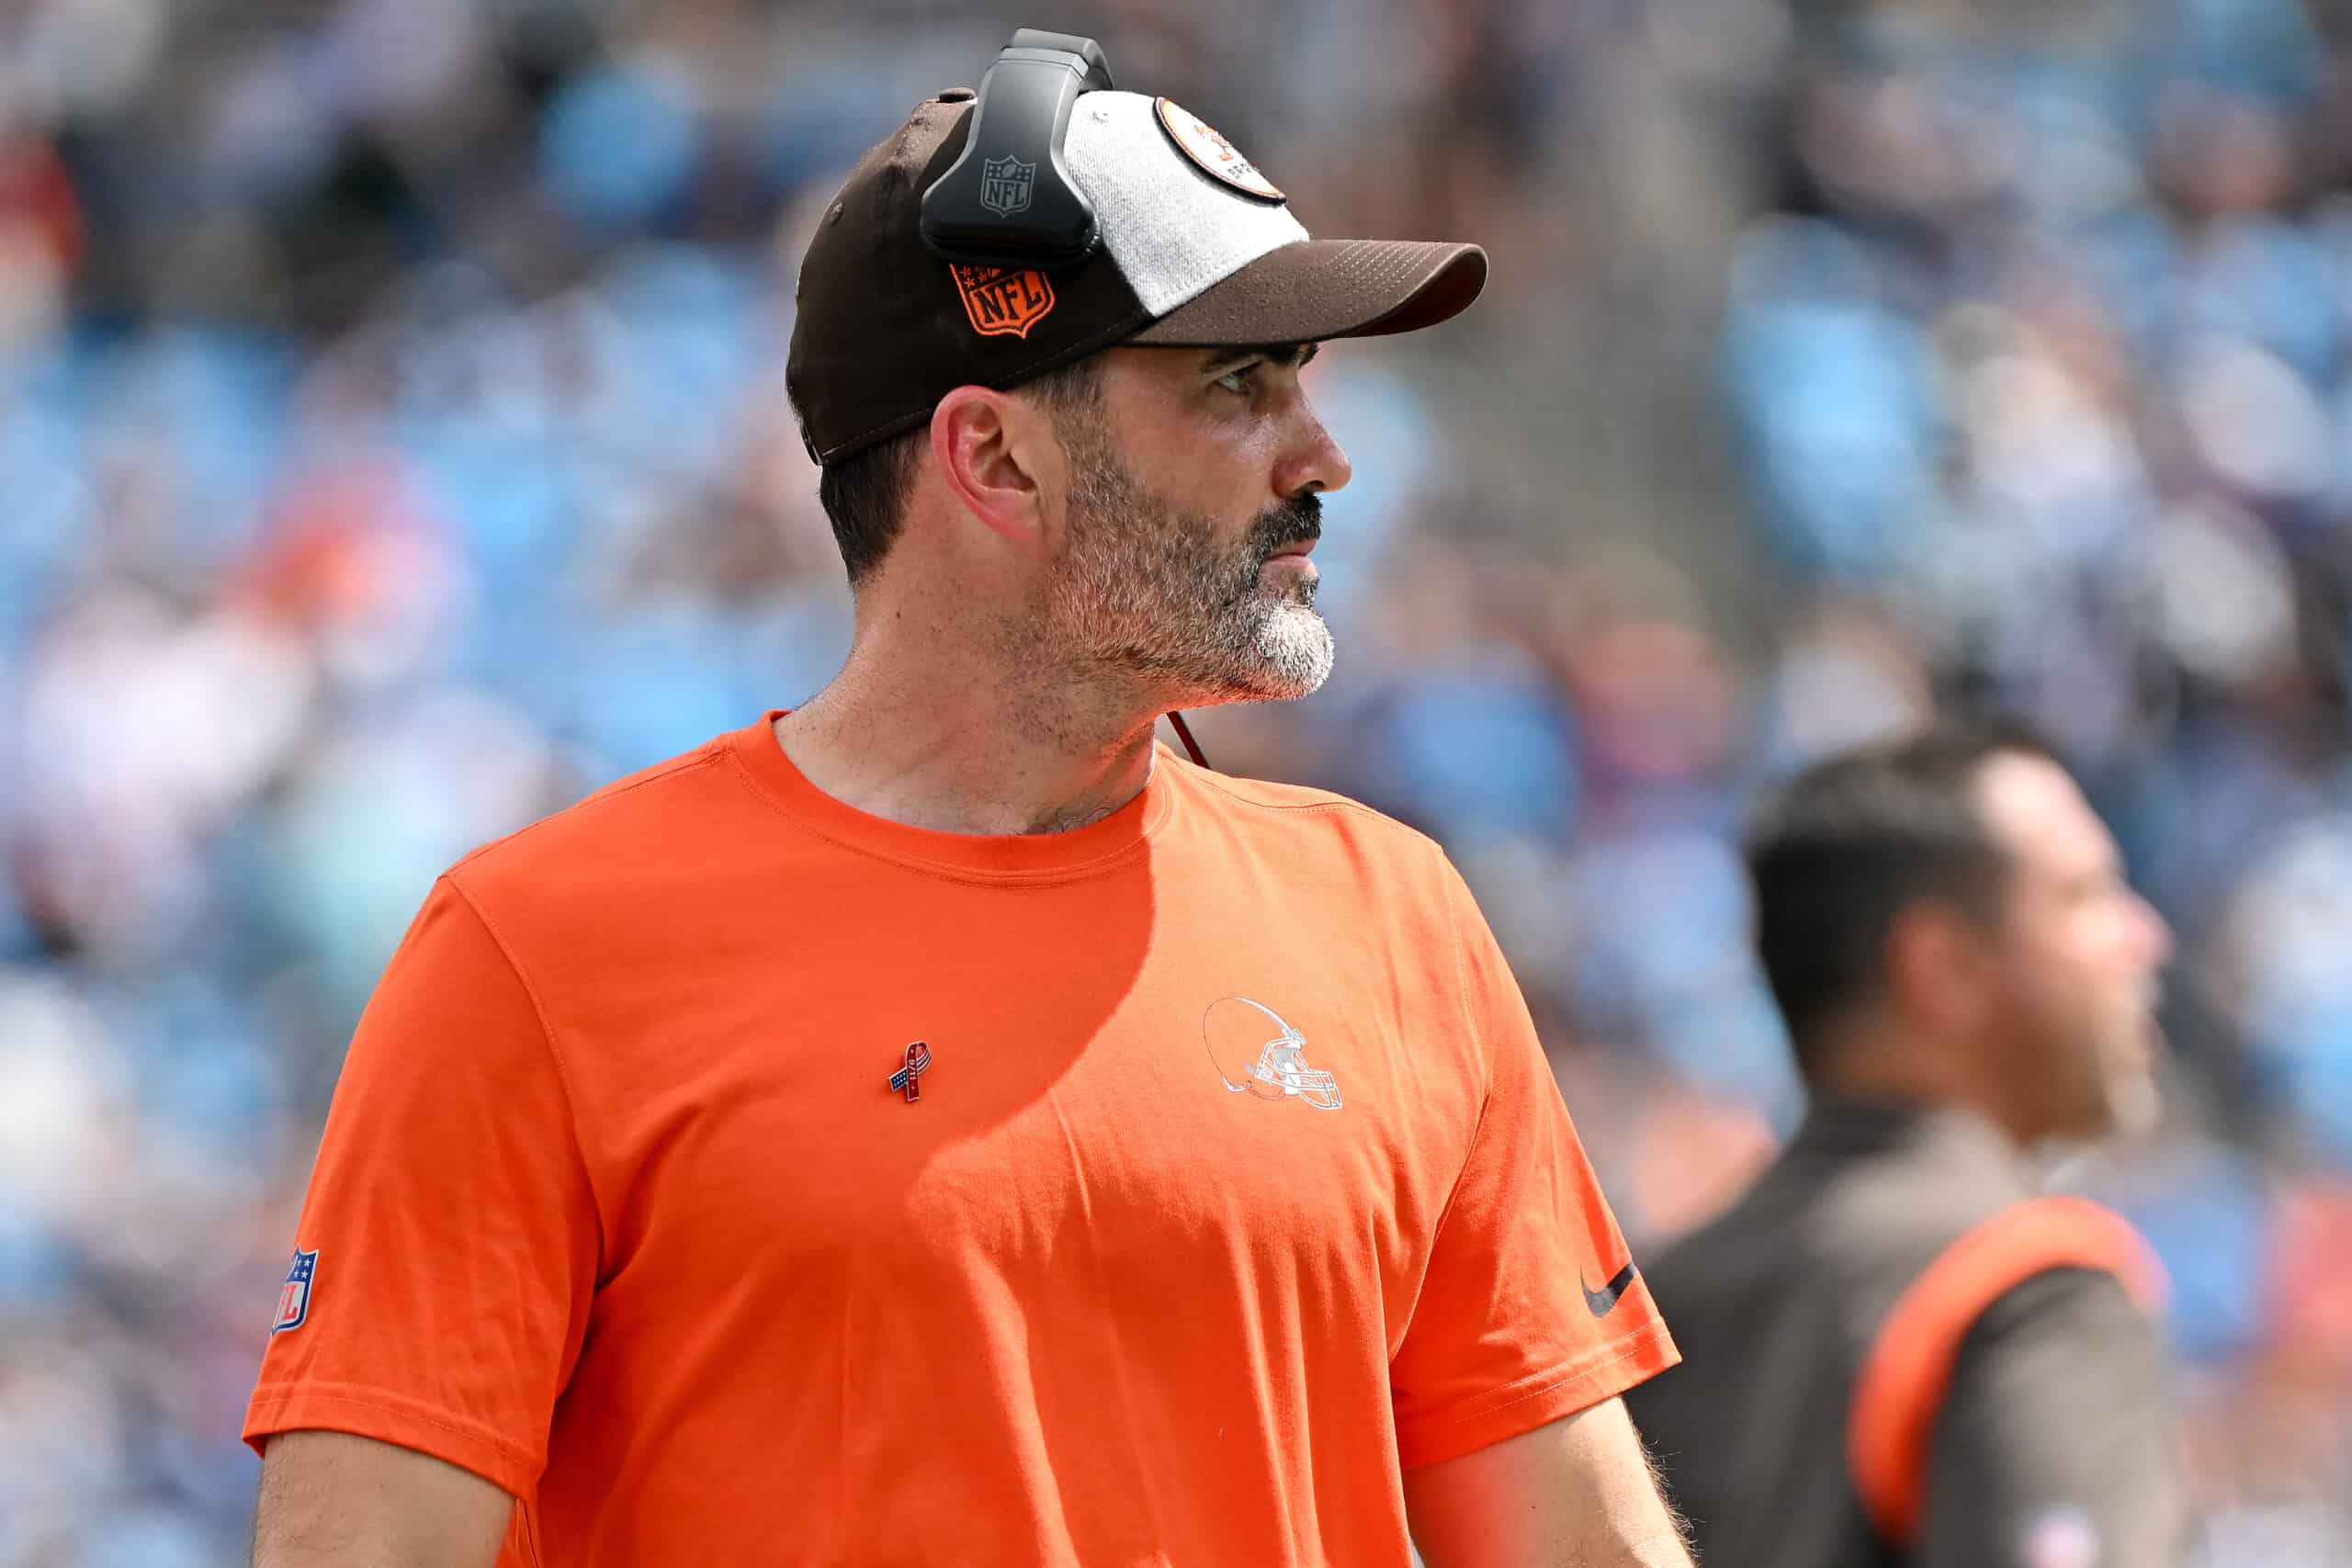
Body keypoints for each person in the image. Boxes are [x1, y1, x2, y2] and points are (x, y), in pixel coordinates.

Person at [243, 33, 1692, 1568]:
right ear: (994, 456)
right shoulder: (536, 955)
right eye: (1239, 386)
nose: (1323, 453)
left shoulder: (1396, 918)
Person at [1624, 719, 2187, 1567]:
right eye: (2086, 895)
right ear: (1946, 969)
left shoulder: (1648, 1309)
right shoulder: (2033, 1287)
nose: (2145, 936)